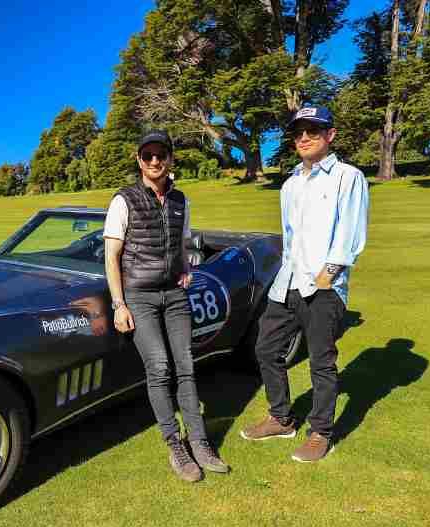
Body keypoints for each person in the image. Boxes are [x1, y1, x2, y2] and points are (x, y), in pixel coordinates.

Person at [240, 106, 369, 462]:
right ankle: (281, 418)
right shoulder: (290, 184)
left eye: (314, 130)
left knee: (320, 362)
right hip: (288, 283)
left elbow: (350, 234)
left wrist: (328, 275)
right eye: (299, 132)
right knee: (266, 348)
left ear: (330, 135)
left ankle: (320, 432)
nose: (305, 137)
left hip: (324, 287)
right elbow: (291, 236)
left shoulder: (348, 177)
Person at [104, 129, 229, 483]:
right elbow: (112, 256)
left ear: (170, 158)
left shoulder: (181, 200)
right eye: (148, 156)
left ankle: (201, 442)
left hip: (175, 295)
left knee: (186, 365)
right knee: (159, 367)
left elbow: (184, 240)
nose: (155, 161)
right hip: (139, 298)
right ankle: (175, 444)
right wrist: (119, 304)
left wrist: (186, 266)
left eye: (161, 155)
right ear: (139, 160)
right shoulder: (123, 200)